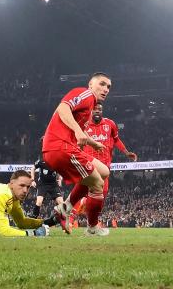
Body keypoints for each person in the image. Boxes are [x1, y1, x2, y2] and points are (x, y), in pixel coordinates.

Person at [41, 72, 112, 236]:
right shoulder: (85, 94)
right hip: (61, 147)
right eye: (102, 84)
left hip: (62, 147)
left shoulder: (89, 108)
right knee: (97, 184)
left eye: (108, 86)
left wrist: (94, 143)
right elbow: (63, 107)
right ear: (91, 84)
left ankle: (64, 209)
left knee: (104, 171)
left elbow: (78, 130)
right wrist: (78, 131)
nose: (106, 89)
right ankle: (92, 228)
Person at [71, 103, 137, 224]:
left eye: (99, 109)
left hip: (105, 166)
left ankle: (85, 213)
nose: (97, 111)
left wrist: (126, 152)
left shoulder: (110, 124)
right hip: (89, 164)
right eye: (95, 109)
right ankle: (73, 218)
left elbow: (116, 139)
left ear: (102, 111)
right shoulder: (84, 125)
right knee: (85, 191)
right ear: (91, 111)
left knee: (102, 194)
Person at [31, 152, 64, 218]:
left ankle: (63, 220)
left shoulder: (56, 162)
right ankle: (33, 218)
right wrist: (32, 180)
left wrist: (60, 179)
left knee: (61, 202)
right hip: (43, 184)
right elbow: (33, 168)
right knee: (39, 202)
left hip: (53, 185)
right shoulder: (41, 162)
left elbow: (60, 172)